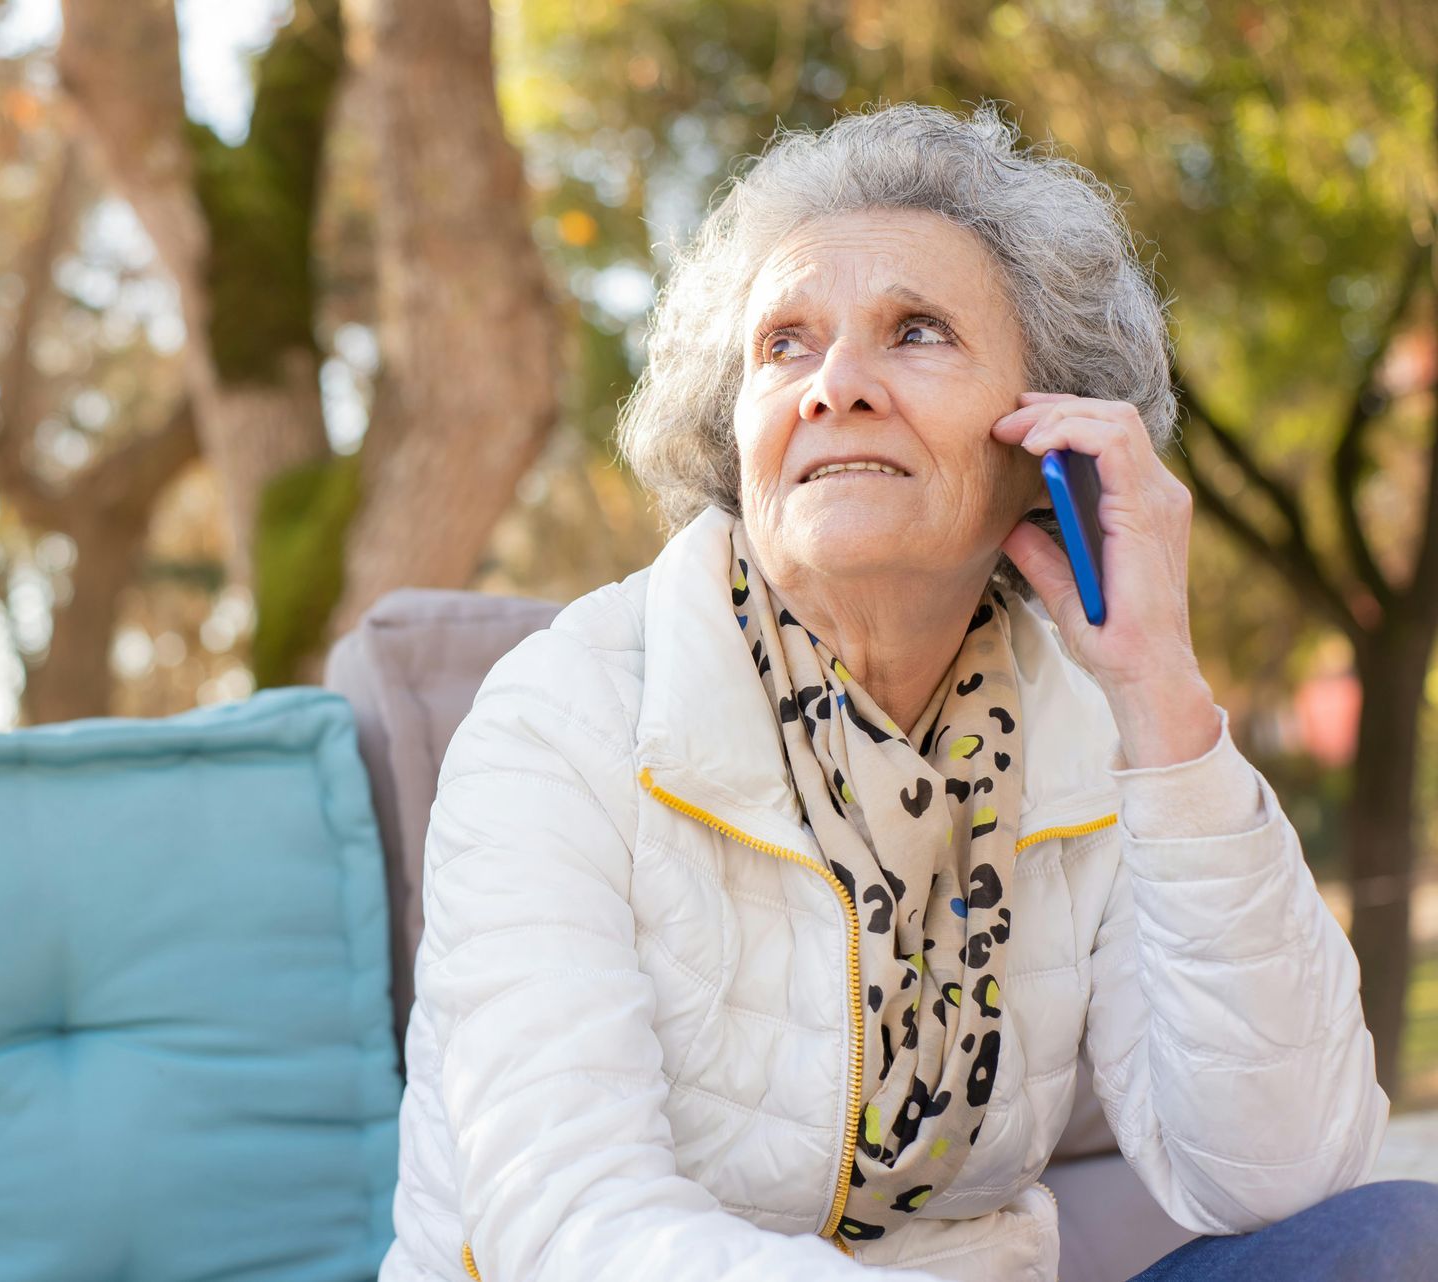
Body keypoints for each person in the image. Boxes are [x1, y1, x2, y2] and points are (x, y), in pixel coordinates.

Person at [379, 100, 1432, 1282]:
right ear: (736, 435)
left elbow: (1281, 1172)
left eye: (915, 330)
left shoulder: (1087, 723)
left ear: (1046, 438)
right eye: (784, 344)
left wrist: (1162, 695)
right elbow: (570, 1225)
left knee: (1402, 1238)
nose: (835, 384)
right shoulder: (556, 719)